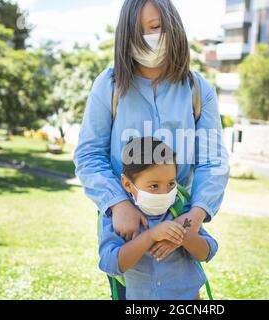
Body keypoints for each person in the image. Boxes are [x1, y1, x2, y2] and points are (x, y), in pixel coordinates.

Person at [73, 0, 229, 300]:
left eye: (155, 27)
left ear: (172, 27)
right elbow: (89, 155)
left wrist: (190, 220)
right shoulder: (109, 86)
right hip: (126, 227)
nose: (149, 37)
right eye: (139, 30)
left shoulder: (199, 90)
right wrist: (118, 204)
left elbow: (213, 162)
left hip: (180, 219)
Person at [99, 137, 218, 300]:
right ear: (127, 184)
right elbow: (110, 264)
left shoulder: (180, 208)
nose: (165, 193)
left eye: (171, 184)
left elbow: (208, 252)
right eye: (154, 186)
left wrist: (182, 236)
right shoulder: (118, 217)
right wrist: (150, 236)